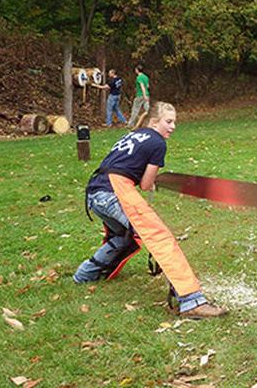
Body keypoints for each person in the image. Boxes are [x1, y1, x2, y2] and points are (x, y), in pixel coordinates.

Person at [73, 102, 227, 319]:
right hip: (113, 192)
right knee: (159, 237)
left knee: (123, 237)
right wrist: (154, 181)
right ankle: (191, 301)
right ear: (155, 122)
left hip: (95, 192)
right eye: (169, 121)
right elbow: (146, 185)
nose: (173, 127)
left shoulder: (135, 134)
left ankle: (83, 275)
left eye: (175, 122)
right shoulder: (158, 143)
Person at [128, 64, 151, 129]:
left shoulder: (139, 77)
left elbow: (142, 86)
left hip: (140, 95)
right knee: (148, 110)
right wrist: (146, 95)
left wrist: (143, 95)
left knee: (135, 109)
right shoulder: (146, 77)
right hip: (147, 95)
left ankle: (130, 124)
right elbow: (148, 86)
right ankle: (150, 123)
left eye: (135, 69)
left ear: (137, 70)